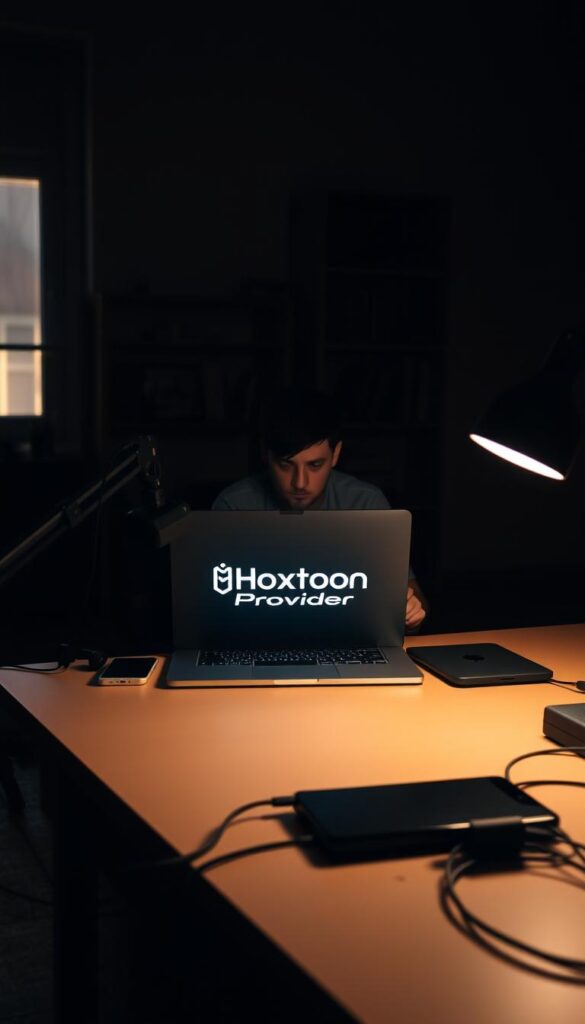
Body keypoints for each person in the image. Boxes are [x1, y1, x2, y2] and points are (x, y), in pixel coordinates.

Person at [212, 387, 427, 631]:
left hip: (347, 637)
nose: (300, 483)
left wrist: (411, 612)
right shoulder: (234, 506)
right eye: (285, 465)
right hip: (258, 638)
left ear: (335, 455)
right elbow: (217, 611)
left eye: (315, 465)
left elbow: (412, 597)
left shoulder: (365, 504)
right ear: (266, 455)